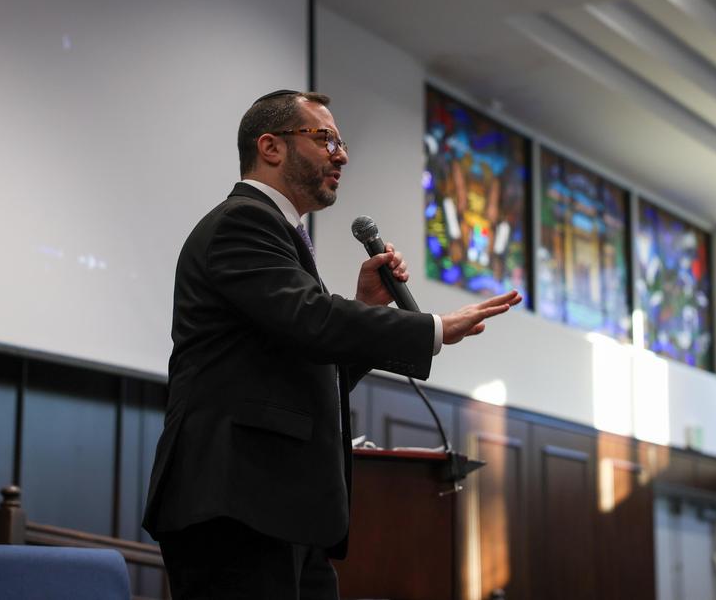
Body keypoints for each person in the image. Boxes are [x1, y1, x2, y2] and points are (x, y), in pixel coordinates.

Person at [142, 90, 522, 599]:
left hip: (281, 508)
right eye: (325, 139)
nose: (340, 155)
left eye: (340, 143)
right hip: (234, 504)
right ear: (271, 147)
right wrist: (431, 327)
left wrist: (364, 307)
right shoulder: (242, 221)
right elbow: (311, 319)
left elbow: (308, 356)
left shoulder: (282, 236)